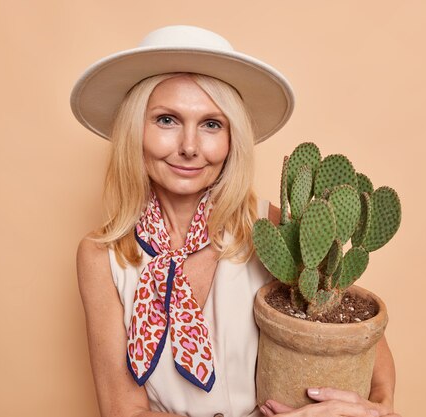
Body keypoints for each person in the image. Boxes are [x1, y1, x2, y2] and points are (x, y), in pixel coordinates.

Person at [72, 25, 400, 417]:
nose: (189, 147)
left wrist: (380, 410)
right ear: (134, 130)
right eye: (166, 120)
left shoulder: (271, 230)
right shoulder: (102, 257)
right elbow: (123, 411)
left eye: (212, 124)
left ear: (231, 141)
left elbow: (360, 339)